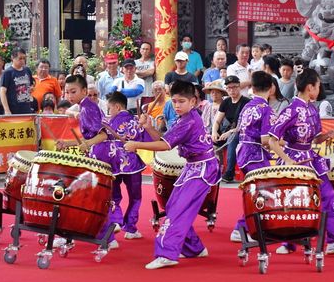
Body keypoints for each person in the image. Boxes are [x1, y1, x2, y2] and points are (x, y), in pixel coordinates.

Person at [123, 80, 220, 269]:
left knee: (178, 209)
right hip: (194, 167)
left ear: (193, 102)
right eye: (174, 101)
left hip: (202, 168)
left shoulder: (189, 121)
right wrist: (149, 126)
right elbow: (164, 139)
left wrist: (136, 145)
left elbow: (165, 145)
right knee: (173, 205)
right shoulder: (184, 118)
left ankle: (167, 253)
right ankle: (195, 249)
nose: (176, 105)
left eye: (181, 101)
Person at [268, 68, 334, 255]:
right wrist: (287, 160)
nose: (319, 89)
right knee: (293, 201)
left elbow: (315, 139)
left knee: (328, 196)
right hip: (294, 162)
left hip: (311, 160)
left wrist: (327, 136)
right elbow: (272, 140)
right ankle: (288, 242)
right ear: (309, 87)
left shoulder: (312, 109)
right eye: (318, 85)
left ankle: (332, 239)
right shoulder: (290, 110)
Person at [56, 75, 120, 249]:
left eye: (73, 91)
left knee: (92, 195)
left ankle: (100, 235)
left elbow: (103, 135)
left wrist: (88, 145)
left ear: (84, 91)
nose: (69, 95)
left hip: (100, 153)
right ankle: (106, 237)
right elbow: (89, 138)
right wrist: (68, 143)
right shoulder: (85, 107)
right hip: (97, 151)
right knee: (96, 196)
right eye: (66, 92)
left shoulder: (88, 108)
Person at [96, 91, 153, 240]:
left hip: (112, 163)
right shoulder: (136, 121)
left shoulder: (106, 123)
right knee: (135, 197)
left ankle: (115, 222)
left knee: (113, 196)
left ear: (117, 106)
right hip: (132, 164)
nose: (109, 111)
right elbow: (149, 140)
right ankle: (131, 228)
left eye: (110, 108)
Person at [231, 71, 275, 242]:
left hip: (243, 153)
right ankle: (242, 228)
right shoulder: (266, 109)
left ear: (252, 87)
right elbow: (265, 140)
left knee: (256, 191)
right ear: (271, 88)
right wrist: (282, 144)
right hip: (255, 155)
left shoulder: (247, 106)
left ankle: (247, 226)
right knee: (261, 191)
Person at [212, 75, 250, 183]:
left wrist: (230, 132)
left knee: (233, 138)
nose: (231, 90)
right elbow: (217, 121)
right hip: (226, 131)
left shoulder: (246, 102)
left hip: (241, 133)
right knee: (207, 138)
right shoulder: (226, 102)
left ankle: (229, 172)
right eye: (229, 88)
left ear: (239, 87)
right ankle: (211, 171)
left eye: (234, 87)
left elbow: (245, 124)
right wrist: (214, 132)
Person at [0, 48, 35, 115]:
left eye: (24, 58)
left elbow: (31, 84)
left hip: (27, 108)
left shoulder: (27, 70)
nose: (22, 61)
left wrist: (31, 88)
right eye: (20, 58)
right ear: (13, 58)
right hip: (13, 110)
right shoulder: (8, 72)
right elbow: (2, 92)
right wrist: (7, 110)